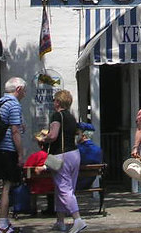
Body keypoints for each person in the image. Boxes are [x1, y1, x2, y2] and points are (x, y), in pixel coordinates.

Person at [36, 90, 86, 233]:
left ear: (58, 102)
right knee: (64, 189)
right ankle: (60, 221)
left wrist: (42, 138)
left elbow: (53, 135)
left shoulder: (57, 115)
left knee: (64, 189)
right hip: (74, 154)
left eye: (54, 100)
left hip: (61, 155)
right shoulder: (71, 117)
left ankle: (78, 220)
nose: (53, 102)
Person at [0, 77, 27, 233]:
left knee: (4, 185)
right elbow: (15, 132)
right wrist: (20, 154)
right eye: (24, 90)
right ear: (18, 89)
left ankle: (4, 222)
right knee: (7, 186)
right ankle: (3, 224)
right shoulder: (13, 104)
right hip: (8, 149)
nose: (25, 94)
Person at [75, 122, 103, 190]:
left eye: (77, 134)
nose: (75, 136)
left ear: (84, 136)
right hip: (89, 182)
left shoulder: (76, 150)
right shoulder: (98, 150)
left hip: (75, 182)